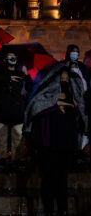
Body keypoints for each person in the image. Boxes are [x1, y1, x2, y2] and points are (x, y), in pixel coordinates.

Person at [24, 66, 85, 216]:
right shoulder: (46, 95)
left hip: (66, 144)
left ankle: (62, 209)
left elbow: (80, 114)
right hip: (48, 145)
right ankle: (49, 210)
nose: (65, 80)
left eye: (67, 78)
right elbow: (37, 108)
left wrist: (69, 106)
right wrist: (57, 104)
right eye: (62, 77)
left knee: (62, 179)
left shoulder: (72, 95)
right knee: (48, 178)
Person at [0, 52, 32, 170]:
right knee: (2, 138)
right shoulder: (0, 73)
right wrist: (8, 78)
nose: (12, 58)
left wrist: (27, 74)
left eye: (14, 56)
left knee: (17, 138)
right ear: (5, 59)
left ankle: (17, 160)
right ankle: (2, 160)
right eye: (9, 56)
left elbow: (30, 87)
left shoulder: (20, 73)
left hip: (17, 111)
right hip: (3, 111)